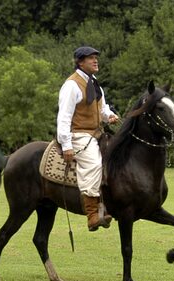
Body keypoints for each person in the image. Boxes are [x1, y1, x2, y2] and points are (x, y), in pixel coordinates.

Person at [56, 46, 120, 231]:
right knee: (93, 163)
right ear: (80, 62)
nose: (95, 61)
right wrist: (66, 145)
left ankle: (109, 203)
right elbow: (64, 117)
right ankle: (92, 214)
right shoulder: (71, 85)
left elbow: (102, 107)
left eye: (96, 58)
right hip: (78, 134)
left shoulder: (95, 82)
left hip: (96, 132)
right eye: (91, 58)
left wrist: (110, 116)